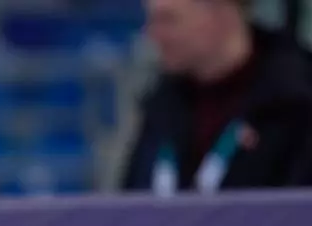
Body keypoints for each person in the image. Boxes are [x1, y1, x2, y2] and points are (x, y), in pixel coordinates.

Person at [121, 0, 312, 193]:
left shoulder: (296, 104)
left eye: (168, 20)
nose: (154, 35)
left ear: (220, 12)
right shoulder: (161, 107)